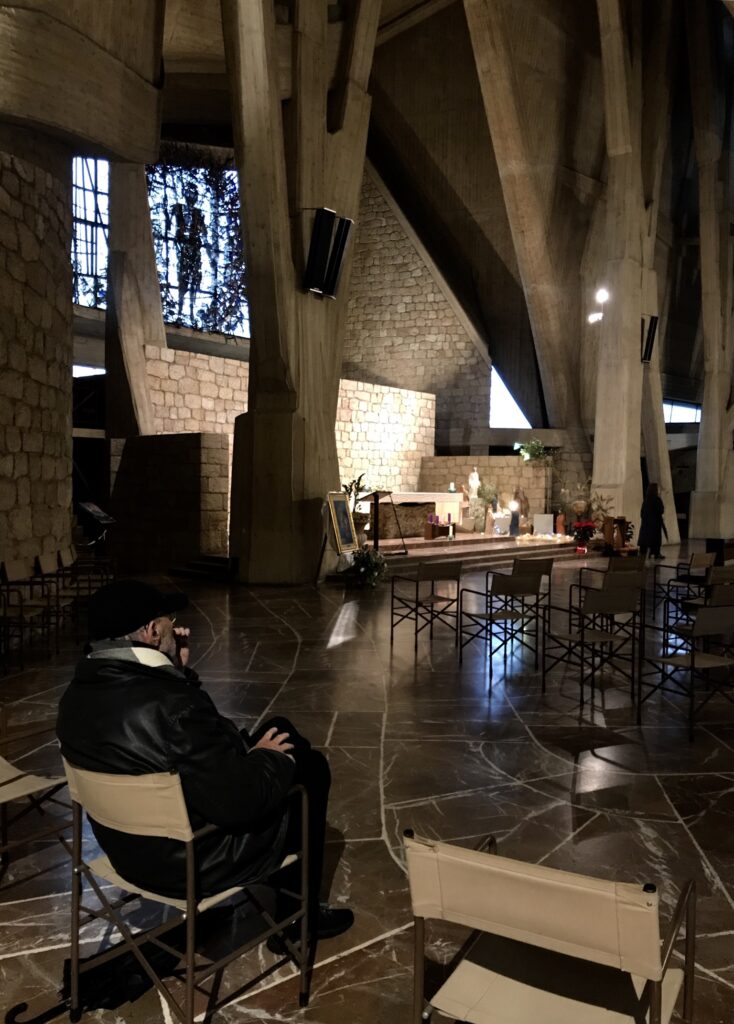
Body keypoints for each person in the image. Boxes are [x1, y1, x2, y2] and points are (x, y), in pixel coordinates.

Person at [56, 579, 353, 946]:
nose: (176, 628)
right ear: (151, 631)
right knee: (308, 769)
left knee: (280, 730)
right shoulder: (172, 705)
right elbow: (240, 803)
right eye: (169, 621)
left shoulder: (74, 697)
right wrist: (270, 760)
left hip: (126, 850)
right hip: (190, 862)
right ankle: (299, 921)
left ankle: (295, 907)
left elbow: (185, 745)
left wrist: (178, 675)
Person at [638, 482, 667, 559]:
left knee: (645, 540)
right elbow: (661, 510)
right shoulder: (657, 500)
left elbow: (642, 513)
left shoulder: (646, 500)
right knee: (655, 540)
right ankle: (655, 553)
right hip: (655, 524)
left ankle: (643, 553)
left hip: (646, 524)